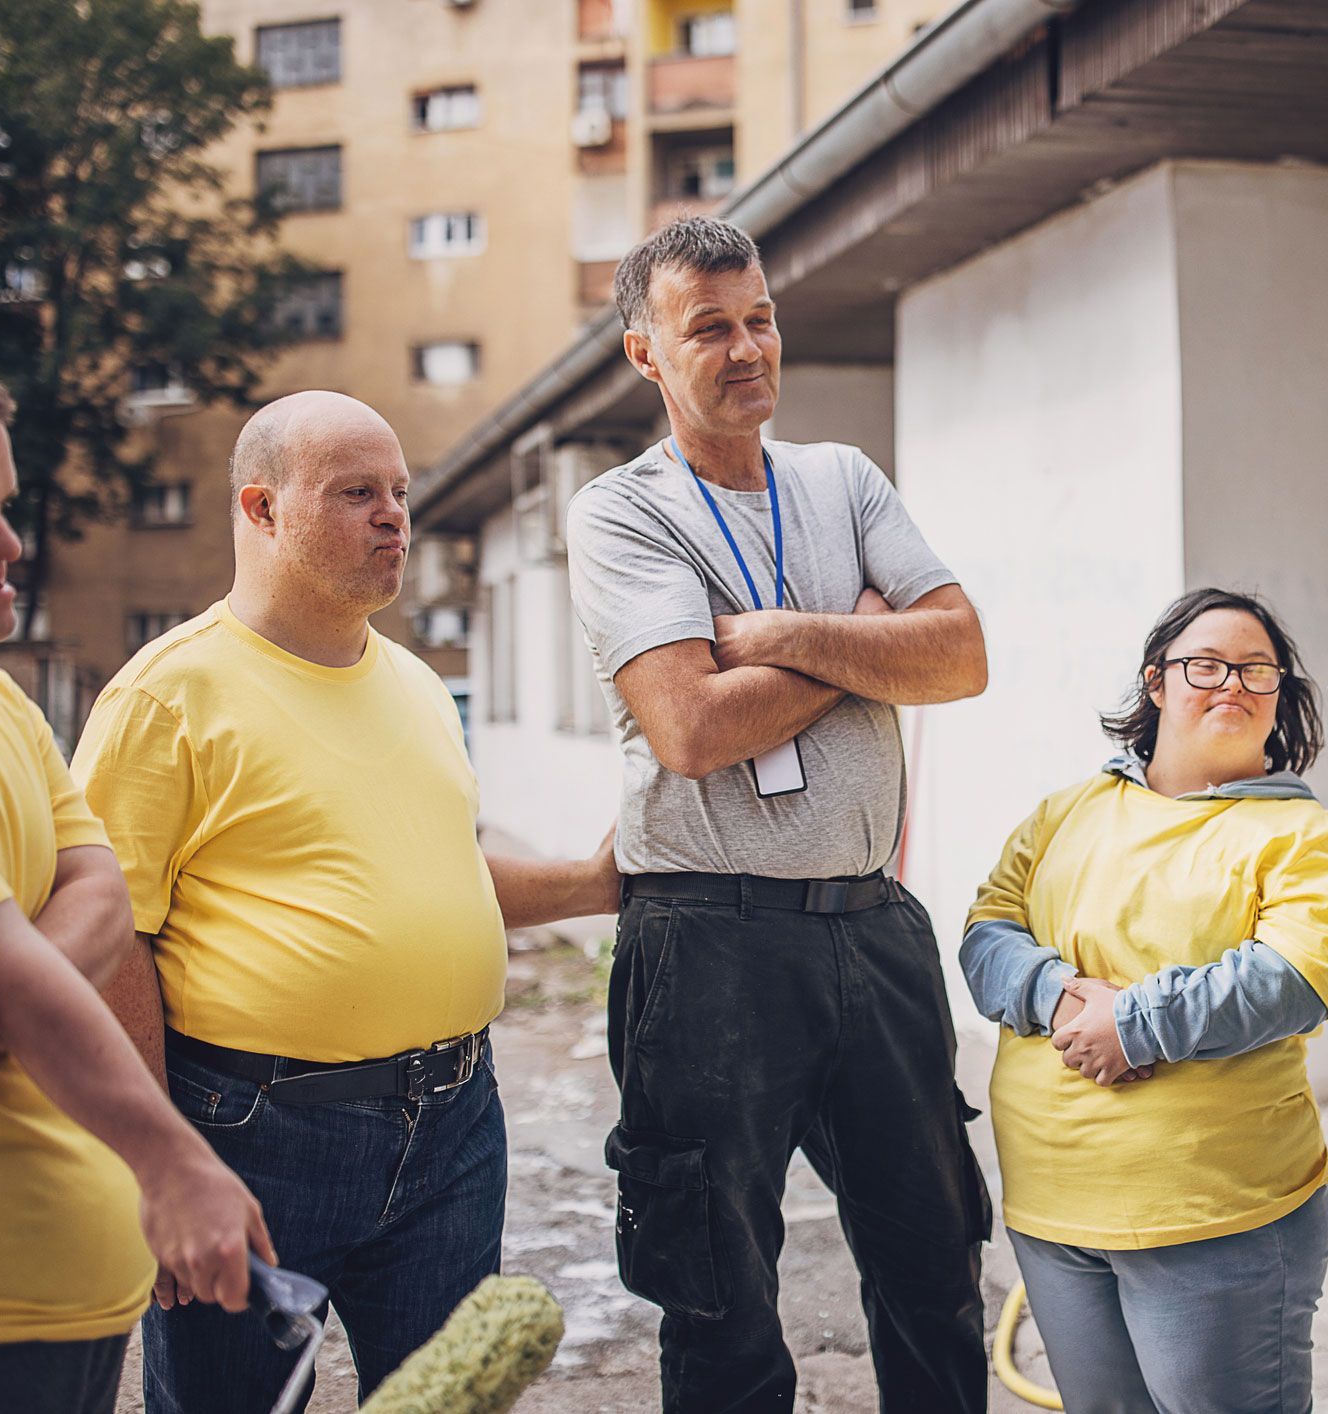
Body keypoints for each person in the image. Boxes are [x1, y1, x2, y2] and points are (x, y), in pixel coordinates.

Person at [71, 390, 622, 1414]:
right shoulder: (166, 695)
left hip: (455, 1125)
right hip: (253, 1132)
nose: (394, 517)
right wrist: (156, 1164)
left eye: (400, 493)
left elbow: (435, 877)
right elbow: (110, 942)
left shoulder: (415, 684)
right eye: (356, 492)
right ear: (262, 508)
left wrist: (592, 885)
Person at [565, 215, 992, 1412]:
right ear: (646, 353)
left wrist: (777, 635)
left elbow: (958, 656)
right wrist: (863, 637)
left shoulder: (841, 477)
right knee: (716, 1290)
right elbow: (690, 729)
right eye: (708, 327)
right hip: (706, 942)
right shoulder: (619, 513)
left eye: (758, 318)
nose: (746, 346)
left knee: (933, 1260)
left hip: (870, 924)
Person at [961, 588, 1328, 1414]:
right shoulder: (1065, 812)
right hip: (1053, 1203)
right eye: (1205, 665)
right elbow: (986, 931)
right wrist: (1065, 996)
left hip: (1213, 1212)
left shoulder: (1306, 839)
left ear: (1281, 695)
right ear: (1156, 683)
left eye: (1258, 671)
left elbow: (1287, 981)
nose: (1233, 685)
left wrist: (1134, 1026)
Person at [0, 353, 272, 1414]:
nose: (8, 543)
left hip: (63, 1300)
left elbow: (96, 878)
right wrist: (176, 1163)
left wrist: (16, 985)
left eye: (2, 506)